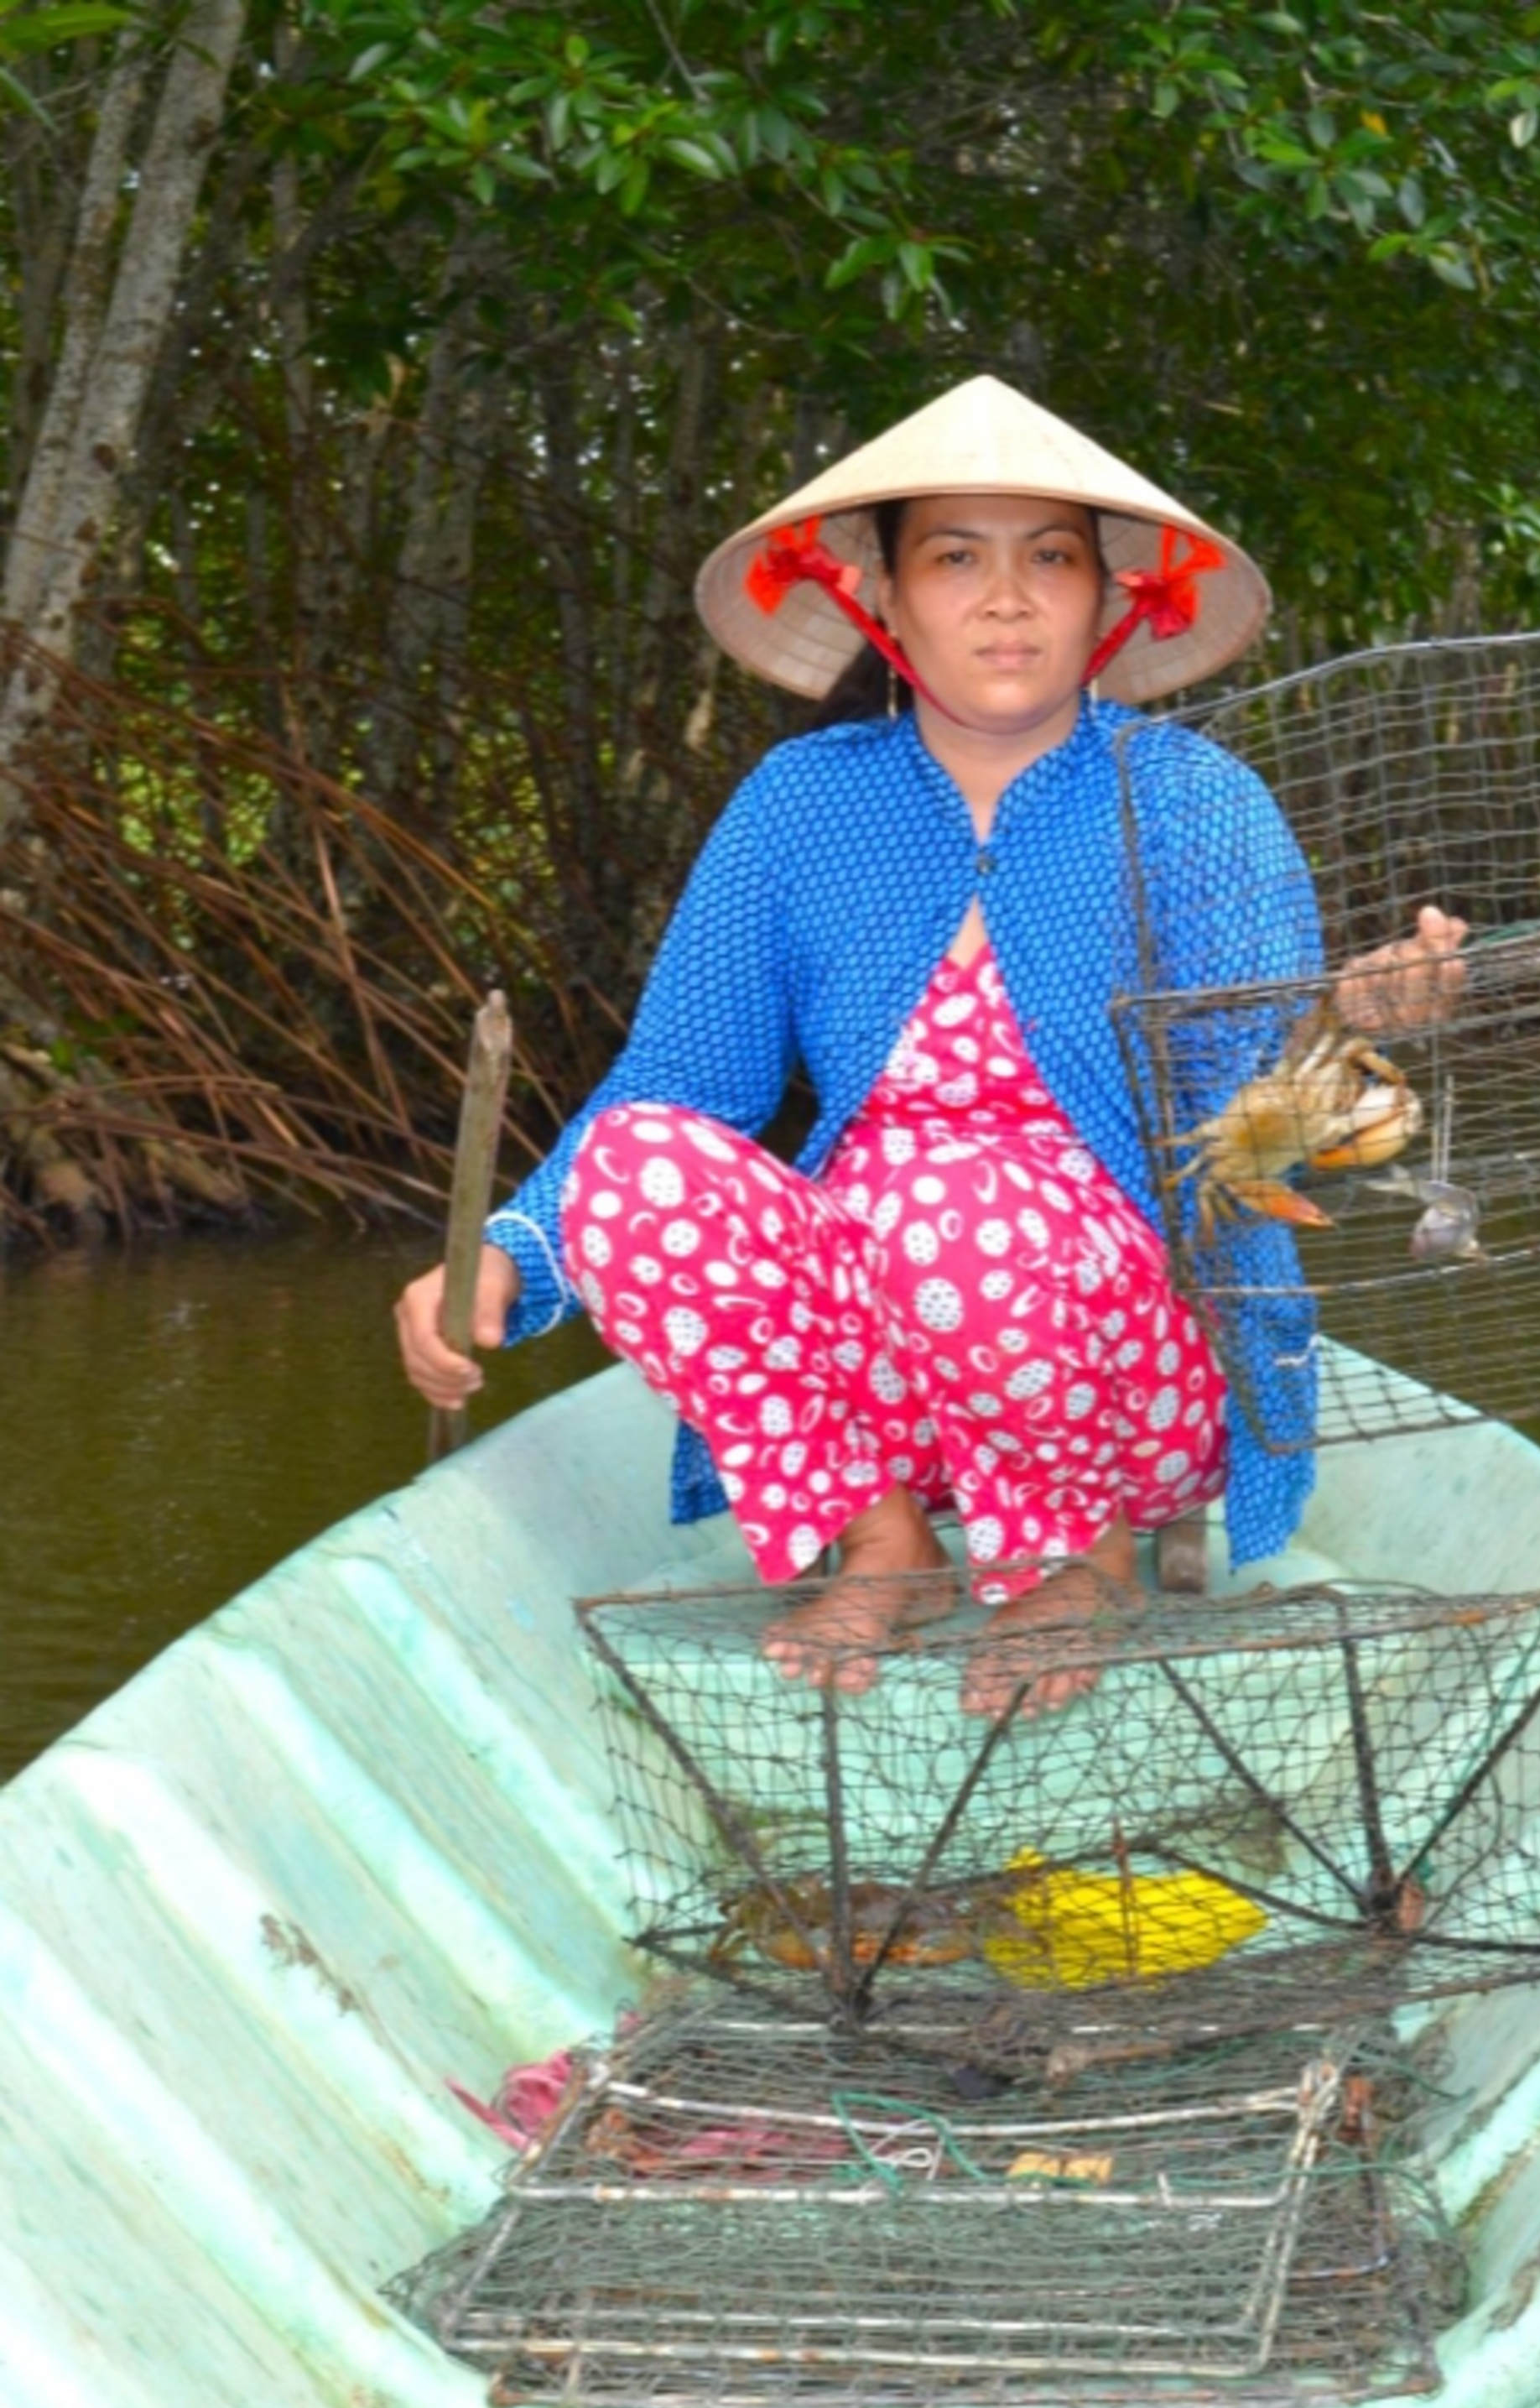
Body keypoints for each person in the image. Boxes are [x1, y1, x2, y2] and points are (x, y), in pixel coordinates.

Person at [393, 376, 1462, 1712]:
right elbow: (680, 1084)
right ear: (882, 598)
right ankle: (884, 1535)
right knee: (630, 1162)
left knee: (965, 1204)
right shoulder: (801, 806)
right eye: (956, 558)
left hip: (1131, 1369)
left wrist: (1348, 1028)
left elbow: (1244, 1142)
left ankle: (1084, 1555)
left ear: (1105, 599)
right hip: (885, 1383)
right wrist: (507, 1252)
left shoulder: (1193, 802)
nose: (1006, 599)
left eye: (1050, 559)